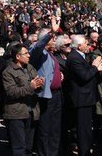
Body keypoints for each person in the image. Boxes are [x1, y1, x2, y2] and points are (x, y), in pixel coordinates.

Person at [66, 35, 102, 156]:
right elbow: (84, 76)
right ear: (79, 45)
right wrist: (94, 66)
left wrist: (96, 69)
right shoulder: (74, 58)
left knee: (87, 127)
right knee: (83, 129)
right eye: (85, 43)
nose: (88, 45)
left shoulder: (80, 56)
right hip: (81, 99)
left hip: (86, 98)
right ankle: (84, 152)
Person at [1, 43, 43, 156]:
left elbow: (36, 82)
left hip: (31, 112)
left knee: (28, 146)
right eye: (26, 53)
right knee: (19, 147)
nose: (29, 56)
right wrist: (31, 87)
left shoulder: (30, 67)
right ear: (17, 57)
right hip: (16, 113)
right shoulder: (8, 72)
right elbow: (11, 92)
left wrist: (40, 84)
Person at [29, 19, 62, 156]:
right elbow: (37, 47)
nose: (54, 40)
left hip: (57, 96)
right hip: (45, 96)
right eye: (52, 38)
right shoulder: (37, 52)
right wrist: (51, 32)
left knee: (55, 129)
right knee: (45, 129)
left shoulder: (51, 54)